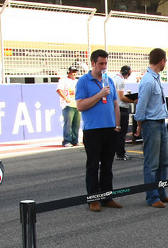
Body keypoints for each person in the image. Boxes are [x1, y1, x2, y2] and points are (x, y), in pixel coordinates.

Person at [75, 49, 122, 212]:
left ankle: (107, 197)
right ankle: (93, 199)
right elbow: (80, 105)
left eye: (106, 63)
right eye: (101, 63)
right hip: (93, 130)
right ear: (93, 63)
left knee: (108, 165)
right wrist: (100, 94)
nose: (103, 66)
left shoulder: (109, 80)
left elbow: (115, 103)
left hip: (110, 129)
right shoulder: (83, 81)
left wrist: (117, 125)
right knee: (93, 165)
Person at [134, 48, 168, 208]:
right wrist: (139, 126)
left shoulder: (155, 78)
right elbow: (141, 106)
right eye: (166, 61)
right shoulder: (148, 80)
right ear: (162, 61)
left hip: (160, 123)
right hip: (151, 124)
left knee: (163, 162)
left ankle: (161, 193)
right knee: (152, 163)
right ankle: (152, 197)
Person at [113, 65, 136, 160]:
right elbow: (122, 97)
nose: (129, 76)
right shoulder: (121, 81)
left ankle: (117, 152)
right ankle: (120, 153)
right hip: (121, 108)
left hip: (115, 107)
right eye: (129, 74)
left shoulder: (114, 78)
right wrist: (132, 101)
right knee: (122, 132)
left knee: (116, 132)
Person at [56, 65, 80, 147]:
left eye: (75, 72)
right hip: (68, 105)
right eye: (72, 72)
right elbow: (59, 90)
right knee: (68, 123)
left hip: (77, 104)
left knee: (76, 124)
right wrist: (66, 98)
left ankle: (75, 140)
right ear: (69, 72)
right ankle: (66, 140)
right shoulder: (63, 80)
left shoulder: (77, 81)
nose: (74, 74)